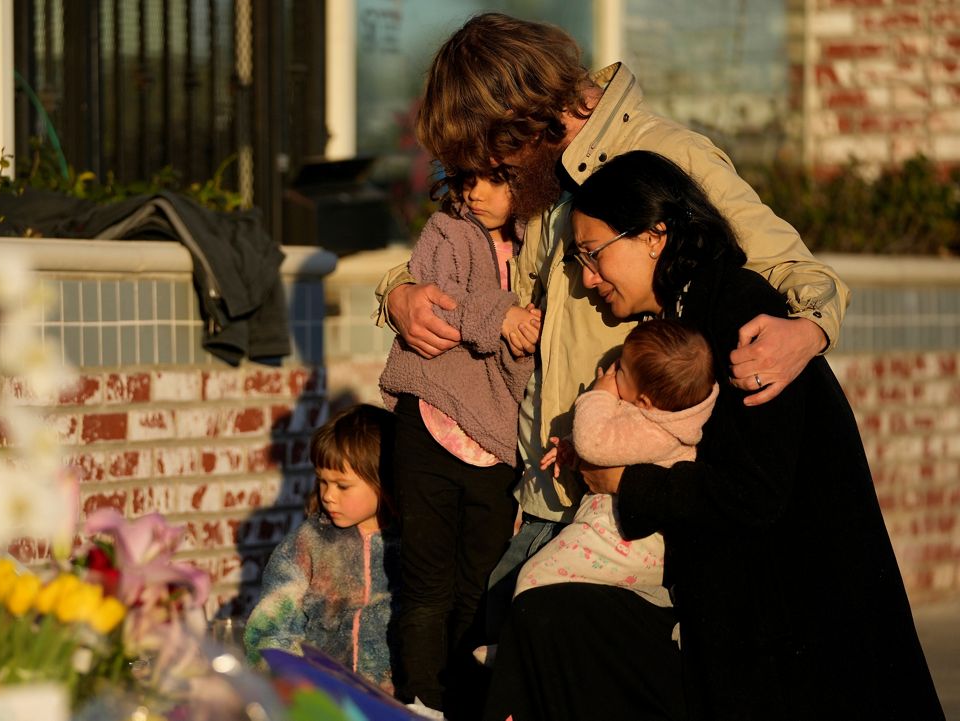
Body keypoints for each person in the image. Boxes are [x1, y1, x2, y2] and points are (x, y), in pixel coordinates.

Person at [373, 14, 852, 607]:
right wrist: (398, 292)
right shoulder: (544, 176)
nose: (493, 179)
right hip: (541, 487)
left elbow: (796, 269)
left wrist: (809, 331)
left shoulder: (667, 155)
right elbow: (463, 256)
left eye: (497, 159)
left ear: (526, 118)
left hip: (619, 506)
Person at [484, 150, 942, 720]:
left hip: (801, 637)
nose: (587, 279)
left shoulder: (738, 316)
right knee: (551, 620)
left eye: (593, 255)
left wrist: (628, 484)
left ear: (655, 236)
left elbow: (754, 491)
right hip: (762, 626)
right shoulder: (688, 315)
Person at [378, 170, 538, 715]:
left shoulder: (544, 236)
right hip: (432, 420)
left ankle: (468, 706)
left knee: (480, 588)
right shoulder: (448, 228)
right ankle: (421, 703)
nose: (476, 193)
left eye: (496, 180)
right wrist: (504, 315)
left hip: (499, 442)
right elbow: (438, 300)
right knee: (426, 586)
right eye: (468, 179)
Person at [513, 319, 717, 608]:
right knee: (566, 596)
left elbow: (595, 443)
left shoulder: (658, 431)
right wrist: (571, 451)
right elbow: (607, 444)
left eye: (620, 369)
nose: (612, 371)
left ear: (644, 401)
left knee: (536, 577)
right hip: (613, 533)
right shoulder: (652, 417)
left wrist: (599, 395)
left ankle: (513, 649)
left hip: (624, 539)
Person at [242, 404, 400, 693]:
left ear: (383, 481)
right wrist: (291, 685)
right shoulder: (306, 543)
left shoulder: (412, 544)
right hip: (321, 700)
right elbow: (269, 627)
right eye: (323, 481)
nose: (327, 496)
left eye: (342, 486)